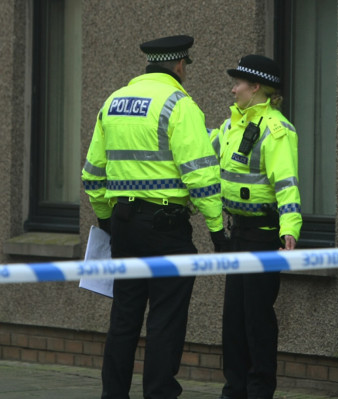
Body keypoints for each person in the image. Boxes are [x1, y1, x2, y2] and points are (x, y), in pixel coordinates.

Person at [81, 35, 226, 399]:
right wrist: (217, 229)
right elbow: (200, 176)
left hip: (124, 225)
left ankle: (113, 394)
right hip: (165, 229)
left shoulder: (113, 102)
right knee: (165, 317)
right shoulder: (179, 105)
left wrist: (106, 219)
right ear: (179, 66)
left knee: (124, 317)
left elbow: (92, 174)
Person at [209, 54, 302, 399]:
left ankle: (259, 391)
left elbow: (287, 185)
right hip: (239, 233)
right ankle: (234, 390)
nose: (232, 89)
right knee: (233, 320)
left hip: (264, 235)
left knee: (256, 321)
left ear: (256, 88)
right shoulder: (231, 125)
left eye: (238, 83)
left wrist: (289, 229)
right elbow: (205, 152)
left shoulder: (276, 130)